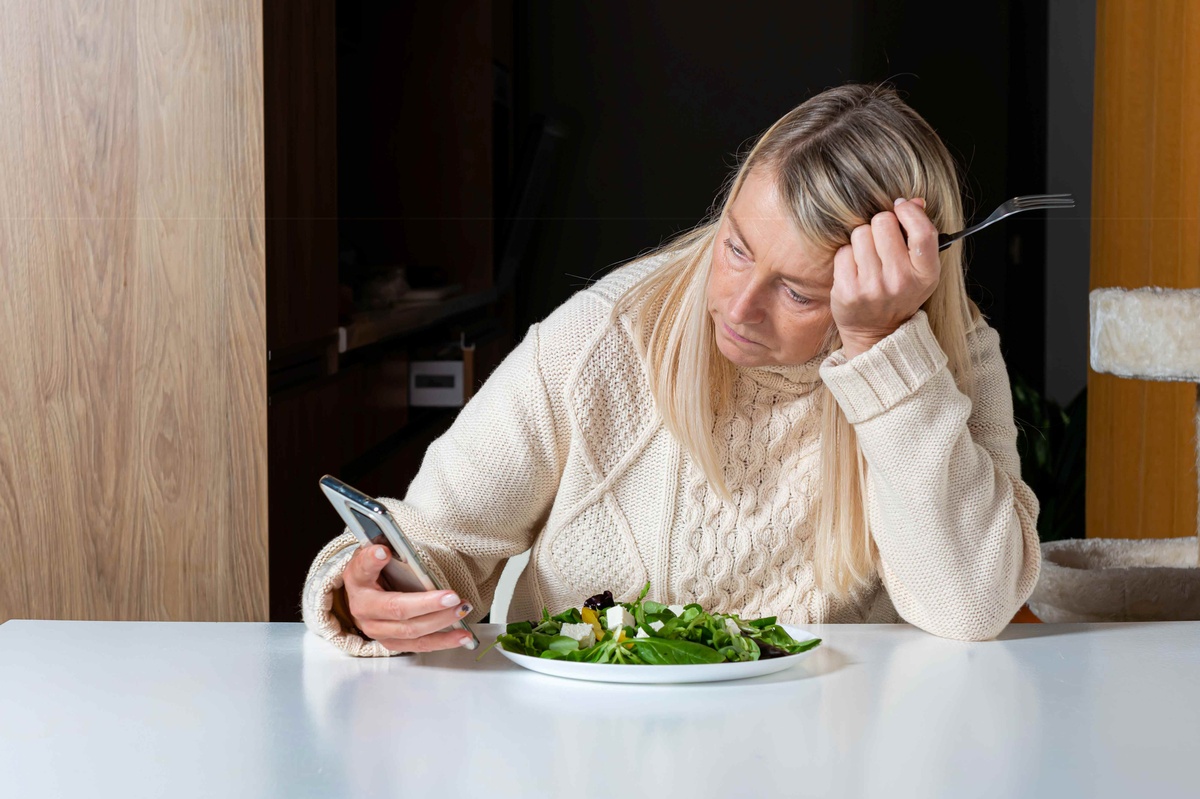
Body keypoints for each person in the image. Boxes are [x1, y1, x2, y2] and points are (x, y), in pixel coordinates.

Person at [302, 82, 1041, 657]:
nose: (738, 307)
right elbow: (437, 539)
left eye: (797, 292)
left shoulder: (942, 360)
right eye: (737, 248)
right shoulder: (608, 332)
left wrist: (883, 350)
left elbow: (970, 607)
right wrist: (366, 593)